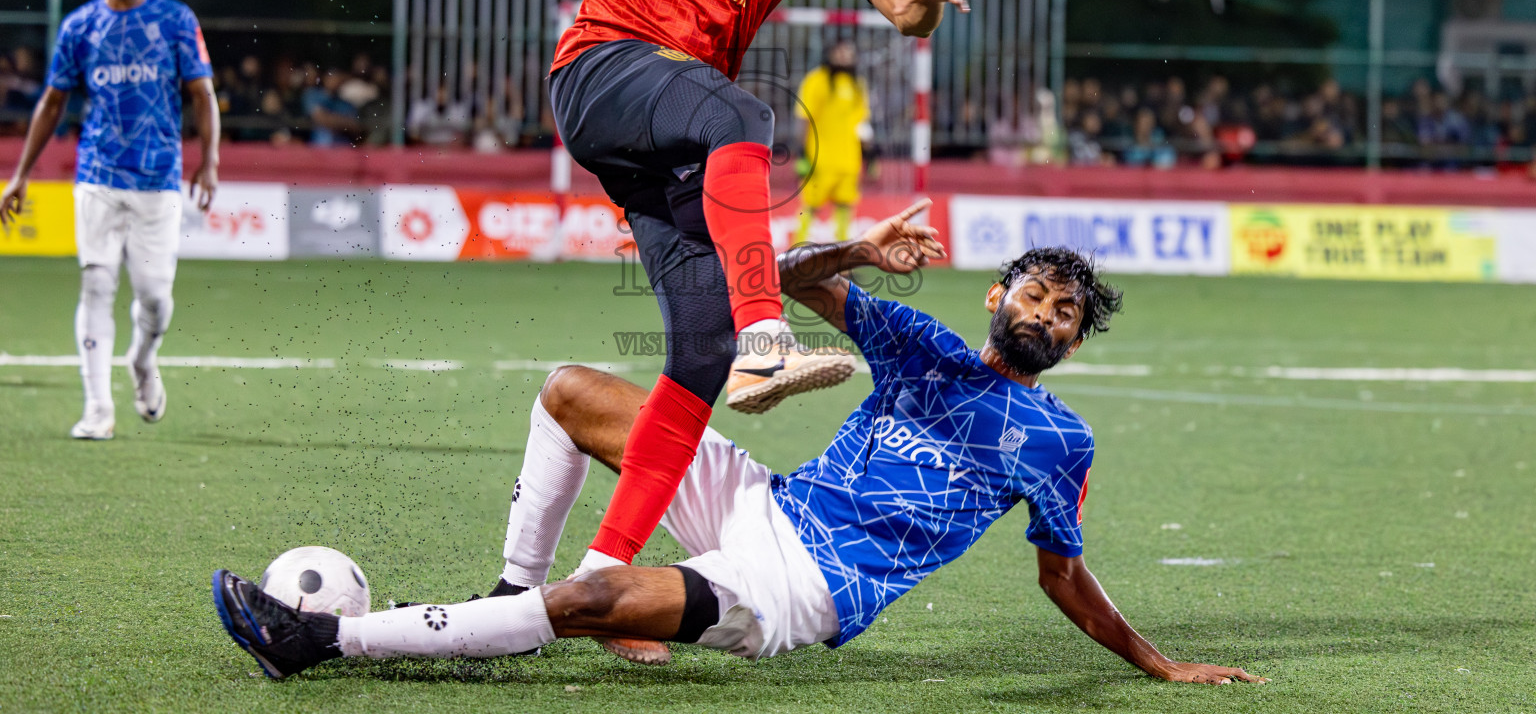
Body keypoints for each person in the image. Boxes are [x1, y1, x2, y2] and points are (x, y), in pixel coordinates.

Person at [317, 0, 970, 574]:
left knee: (698, 357)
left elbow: (901, 10)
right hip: (601, 69)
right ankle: (765, 344)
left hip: (670, 138)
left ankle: (591, 580)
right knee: (745, 118)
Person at [212, 202, 1265, 688]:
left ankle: (320, 644)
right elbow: (790, 277)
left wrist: (1158, 662)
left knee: (591, 604)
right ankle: (503, 594)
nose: (1050, 312)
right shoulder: (921, 344)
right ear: (998, 296)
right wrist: (859, 247)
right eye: (1036, 291)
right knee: (570, 389)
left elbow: (1064, 572)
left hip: (805, 587)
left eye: (1070, 311)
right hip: (761, 500)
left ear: (1075, 340)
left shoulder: (1059, 438)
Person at [0, 0, 219, 440]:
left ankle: (143, 360)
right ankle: (97, 407)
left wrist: (209, 160)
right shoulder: (80, 26)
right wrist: (20, 174)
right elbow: (53, 103)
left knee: (155, 297)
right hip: (97, 175)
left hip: (158, 178)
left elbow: (202, 95)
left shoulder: (176, 20)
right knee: (96, 283)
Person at [794, 38, 870, 243]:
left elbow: (861, 122)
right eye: (841, 51)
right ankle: (794, 254)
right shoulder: (816, 80)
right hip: (820, 159)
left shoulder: (857, 85)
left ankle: (843, 262)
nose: (845, 56)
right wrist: (801, 153)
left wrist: (870, 155)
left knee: (845, 208)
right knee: (810, 207)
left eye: (849, 52)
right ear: (830, 53)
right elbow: (804, 117)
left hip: (849, 160)